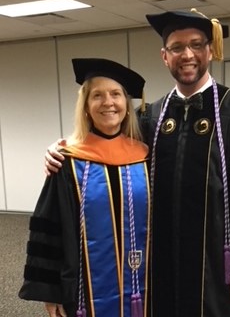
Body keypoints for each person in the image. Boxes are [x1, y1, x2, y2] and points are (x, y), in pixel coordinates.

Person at [44, 9, 230, 317]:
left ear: (210, 50)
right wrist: (61, 148)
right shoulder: (150, 116)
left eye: (196, 45)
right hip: (157, 262)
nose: (187, 54)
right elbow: (104, 146)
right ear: (165, 56)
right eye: (177, 47)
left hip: (216, 263)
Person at [19, 58, 151, 317]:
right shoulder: (68, 161)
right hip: (83, 288)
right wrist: (51, 291)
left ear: (126, 104)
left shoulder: (146, 157)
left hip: (144, 283)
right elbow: (49, 226)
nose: (108, 102)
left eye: (115, 94)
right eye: (97, 95)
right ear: (87, 107)